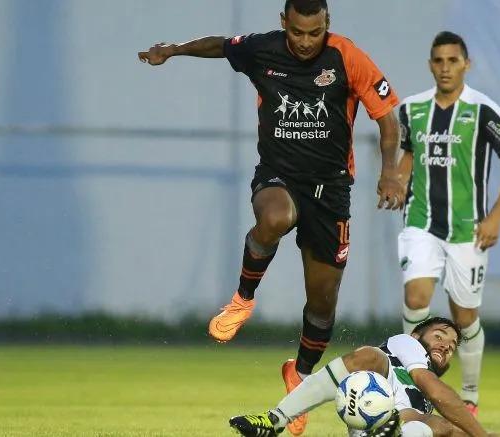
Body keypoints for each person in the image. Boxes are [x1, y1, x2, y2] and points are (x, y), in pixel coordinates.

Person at [138, 1, 404, 433]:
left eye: (313, 33)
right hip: (278, 175)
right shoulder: (263, 49)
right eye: (297, 32)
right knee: (275, 217)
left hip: (331, 190)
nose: (304, 42)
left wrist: (390, 171)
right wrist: (173, 50)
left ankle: (298, 377)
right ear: (284, 24)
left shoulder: (346, 56)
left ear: (326, 26)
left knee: (322, 302)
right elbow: (221, 46)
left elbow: (388, 119)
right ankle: (242, 300)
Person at [396, 32, 500, 416]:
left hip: (469, 230)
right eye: (439, 60)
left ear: (466, 64)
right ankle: (408, 384)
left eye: (453, 60)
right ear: (430, 64)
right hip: (420, 222)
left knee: (465, 317)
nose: (445, 67)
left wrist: (496, 217)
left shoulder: (484, 111)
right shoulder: (411, 110)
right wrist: (397, 182)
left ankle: (468, 396)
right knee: (416, 299)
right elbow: (405, 155)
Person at [229, 317, 500, 437]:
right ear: (416, 336)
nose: (445, 345)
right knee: (370, 356)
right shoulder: (406, 345)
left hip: (401, 423)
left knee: (442, 426)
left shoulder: (427, 394)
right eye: (439, 336)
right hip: (370, 413)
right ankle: (276, 419)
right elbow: (435, 388)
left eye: (451, 347)